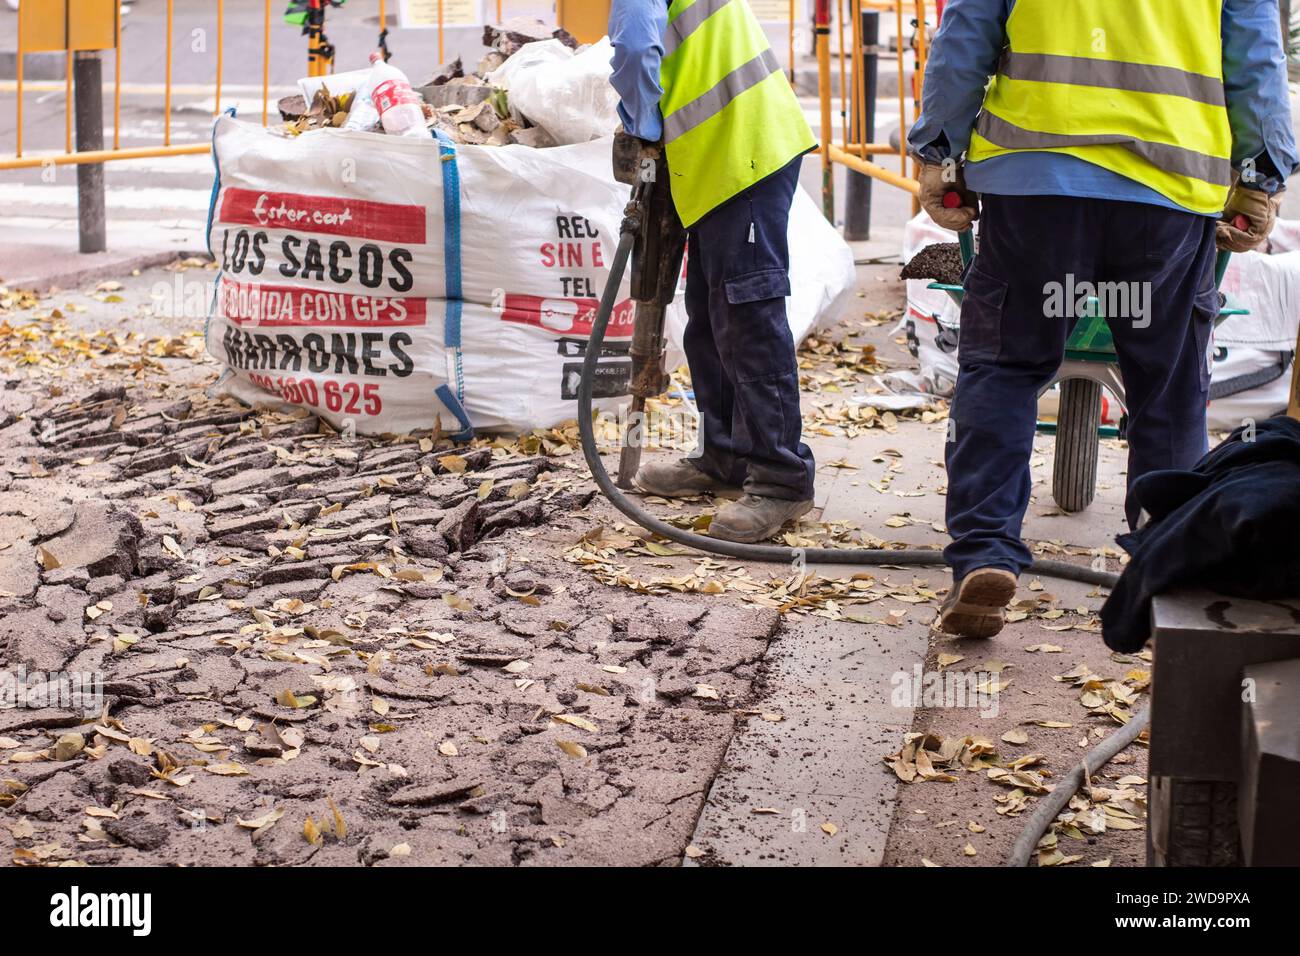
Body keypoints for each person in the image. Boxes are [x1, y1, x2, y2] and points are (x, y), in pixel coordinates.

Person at [909, 0, 1298, 638]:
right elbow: (1256, 57)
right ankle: (1162, 571)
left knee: (1006, 366)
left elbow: (966, 35)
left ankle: (984, 554)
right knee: (1165, 388)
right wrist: (1260, 174)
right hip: (1168, 193)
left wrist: (940, 149)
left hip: (1034, 185)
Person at [608, 0, 819, 543]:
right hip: (714, 155)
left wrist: (644, 125)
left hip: (742, 148)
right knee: (708, 315)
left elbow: (635, 50)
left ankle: (782, 479)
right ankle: (725, 455)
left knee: (747, 314)